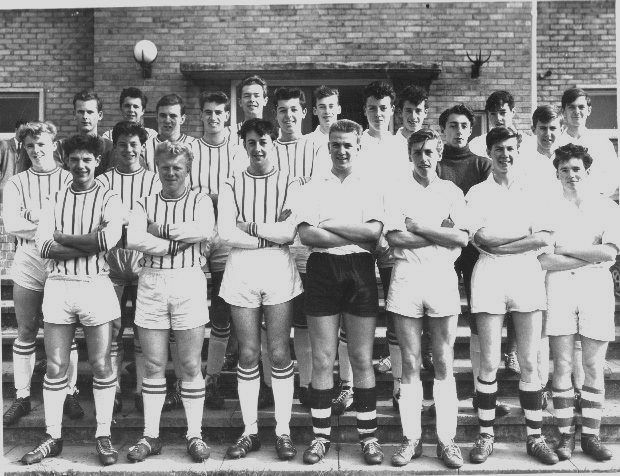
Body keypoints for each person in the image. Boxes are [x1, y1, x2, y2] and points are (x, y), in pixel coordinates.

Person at [21, 134, 123, 466]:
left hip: (95, 284)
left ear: (97, 162)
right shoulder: (54, 198)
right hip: (59, 286)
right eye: (75, 160)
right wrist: (87, 241)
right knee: (54, 365)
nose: (81, 166)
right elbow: (44, 246)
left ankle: (103, 435)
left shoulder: (109, 197)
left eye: (87, 160)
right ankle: (53, 436)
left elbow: (108, 239)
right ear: (67, 162)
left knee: (102, 364)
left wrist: (64, 237)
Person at [465, 126, 557, 465]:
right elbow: (482, 239)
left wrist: (508, 242)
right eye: (499, 149)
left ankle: (535, 436)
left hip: (526, 273)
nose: (505, 154)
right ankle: (486, 434)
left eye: (511, 148)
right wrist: (525, 236)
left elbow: (544, 238)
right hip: (489, 273)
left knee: (530, 360)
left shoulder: (534, 190)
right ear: (489, 153)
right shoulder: (477, 193)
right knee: (488, 361)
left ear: (519, 150)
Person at [297, 119, 385, 465]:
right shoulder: (313, 185)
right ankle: (320, 437)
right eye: (336, 144)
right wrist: (355, 233)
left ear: (358, 147)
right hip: (322, 270)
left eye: (348, 144)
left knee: (361, 358)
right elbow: (308, 235)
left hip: (359, 269)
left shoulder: (370, 185)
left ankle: (368, 437)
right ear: (328, 146)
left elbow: (375, 233)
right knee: (321, 358)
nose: (342, 150)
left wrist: (331, 225)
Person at [218, 118, 302, 461]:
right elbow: (225, 232)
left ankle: (283, 431)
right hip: (241, 269)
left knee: (280, 353)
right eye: (251, 142)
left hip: (278, 267)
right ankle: (250, 431)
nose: (258, 148)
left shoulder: (290, 181)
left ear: (273, 142)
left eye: (263, 141)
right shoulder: (232, 181)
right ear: (244, 144)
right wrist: (270, 231)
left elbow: (290, 232)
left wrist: (250, 226)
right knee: (249, 353)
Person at [125, 141, 214, 463]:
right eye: (165, 167)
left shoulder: (200, 200)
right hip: (150, 283)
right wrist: (172, 245)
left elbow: (204, 229)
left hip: (188, 281)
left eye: (177, 167)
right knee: (152, 364)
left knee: (190, 364)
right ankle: (151, 435)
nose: (171, 173)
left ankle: (195, 434)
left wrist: (159, 231)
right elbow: (134, 238)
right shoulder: (143, 201)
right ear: (157, 168)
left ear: (188, 169)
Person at [385, 129, 467, 469]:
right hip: (406, 277)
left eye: (430, 152)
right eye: (418, 152)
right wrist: (439, 233)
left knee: (444, 361)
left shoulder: (450, 191)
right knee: (410, 361)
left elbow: (460, 238)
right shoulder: (395, 190)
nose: (424, 158)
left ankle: (447, 441)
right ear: (410, 154)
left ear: (439, 153)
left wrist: (416, 227)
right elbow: (392, 236)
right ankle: (411, 438)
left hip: (442, 278)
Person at [539, 144, 619, 462]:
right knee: (562, 365)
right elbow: (544, 259)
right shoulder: (547, 208)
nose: (571, 175)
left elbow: (610, 253)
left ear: (586, 171)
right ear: (556, 173)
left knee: (592, 366)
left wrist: (567, 250)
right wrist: (589, 250)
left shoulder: (607, 208)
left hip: (596, 289)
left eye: (576, 169)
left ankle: (591, 436)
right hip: (558, 287)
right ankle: (564, 436)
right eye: (564, 169)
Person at [436, 104, 512, 417]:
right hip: (443, 250)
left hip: (477, 252)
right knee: (442, 319)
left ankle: (482, 395)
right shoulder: (434, 164)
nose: (458, 131)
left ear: (471, 130)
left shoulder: (483, 164)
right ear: (443, 131)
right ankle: (444, 396)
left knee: (480, 322)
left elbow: (486, 206)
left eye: (464, 126)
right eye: (452, 126)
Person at [2, 122, 72, 427]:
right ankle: (22, 396)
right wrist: (49, 223)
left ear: (53, 144)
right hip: (29, 257)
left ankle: (70, 391)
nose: (36, 150)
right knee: (26, 329)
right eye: (30, 146)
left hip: (61, 258)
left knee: (66, 330)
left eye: (41, 144)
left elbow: (76, 222)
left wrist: (37, 217)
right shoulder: (16, 182)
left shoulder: (69, 177)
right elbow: (11, 224)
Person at [96, 121, 161, 413]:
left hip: (144, 259)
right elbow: (101, 220)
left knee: (143, 326)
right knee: (113, 325)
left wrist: (126, 218)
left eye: (134, 144)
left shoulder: (153, 181)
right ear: (115, 147)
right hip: (111, 259)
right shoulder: (103, 180)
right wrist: (132, 218)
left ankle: (140, 388)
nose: (128, 150)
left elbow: (153, 221)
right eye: (122, 144)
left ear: (142, 147)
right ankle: (114, 387)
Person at [190, 90, 246, 409]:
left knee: (223, 310)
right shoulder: (191, 148)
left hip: (225, 233)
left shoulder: (238, 150)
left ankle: (214, 377)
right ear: (202, 115)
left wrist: (207, 196)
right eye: (208, 112)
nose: (213, 117)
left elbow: (235, 191)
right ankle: (196, 377)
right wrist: (211, 195)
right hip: (197, 235)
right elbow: (186, 190)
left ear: (227, 116)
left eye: (219, 112)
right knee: (196, 308)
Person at [358, 81, 408, 411]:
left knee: (396, 307)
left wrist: (391, 232)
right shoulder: (356, 143)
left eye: (384, 108)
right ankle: (353, 382)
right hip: (361, 234)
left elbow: (404, 193)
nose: (378, 113)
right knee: (360, 309)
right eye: (373, 108)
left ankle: (400, 385)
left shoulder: (402, 146)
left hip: (391, 235)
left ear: (392, 111)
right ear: (365, 110)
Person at [557, 87, 619, 199]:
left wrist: (592, 197)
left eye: (581, 107)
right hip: (562, 205)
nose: (576, 111)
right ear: (563, 111)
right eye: (571, 107)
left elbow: (613, 177)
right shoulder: (556, 143)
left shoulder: (602, 143)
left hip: (593, 203)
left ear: (589, 110)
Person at [54, 90, 115, 175]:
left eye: (90, 112)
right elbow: (58, 177)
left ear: (100, 115)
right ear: (74, 114)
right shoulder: (61, 147)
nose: (85, 116)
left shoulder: (110, 148)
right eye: (81, 112)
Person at [468, 90, 536, 160]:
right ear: (488, 114)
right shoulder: (476, 144)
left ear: (513, 112)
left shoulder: (528, 143)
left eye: (502, 112)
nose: (498, 118)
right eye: (493, 113)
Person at [143, 94, 195, 173]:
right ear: (157, 118)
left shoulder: (194, 145)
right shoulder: (145, 148)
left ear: (182, 119)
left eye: (173, 116)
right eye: (163, 115)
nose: (167, 120)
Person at [227, 75, 269, 145]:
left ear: (265, 101)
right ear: (240, 102)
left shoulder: (275, 133)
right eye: (247, 96)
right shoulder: (227, 134)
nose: (252, 99)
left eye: (256, 96)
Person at [1, 119, 29, 198]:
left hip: (22, 189)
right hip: (4, 188)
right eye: (21, 132)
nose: (22, 135)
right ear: (16, 130)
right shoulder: (4, 144)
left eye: (25, 132)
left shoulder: (28, 147)